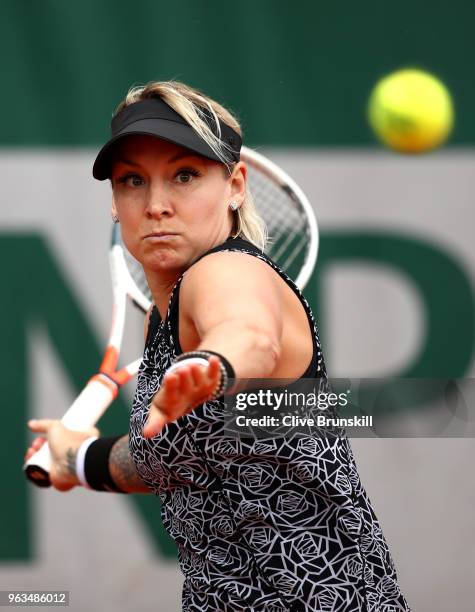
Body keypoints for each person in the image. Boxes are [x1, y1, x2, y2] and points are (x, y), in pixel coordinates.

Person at [25, 81, 411, 611]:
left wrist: (216, 364)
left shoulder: (225, 271)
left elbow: (250, 333)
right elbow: (173, 462)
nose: (157, 204)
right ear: (115, 202)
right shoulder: (161, 323)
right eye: (133, 180)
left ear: (235, 186)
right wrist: (78, 456)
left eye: (185, 175)